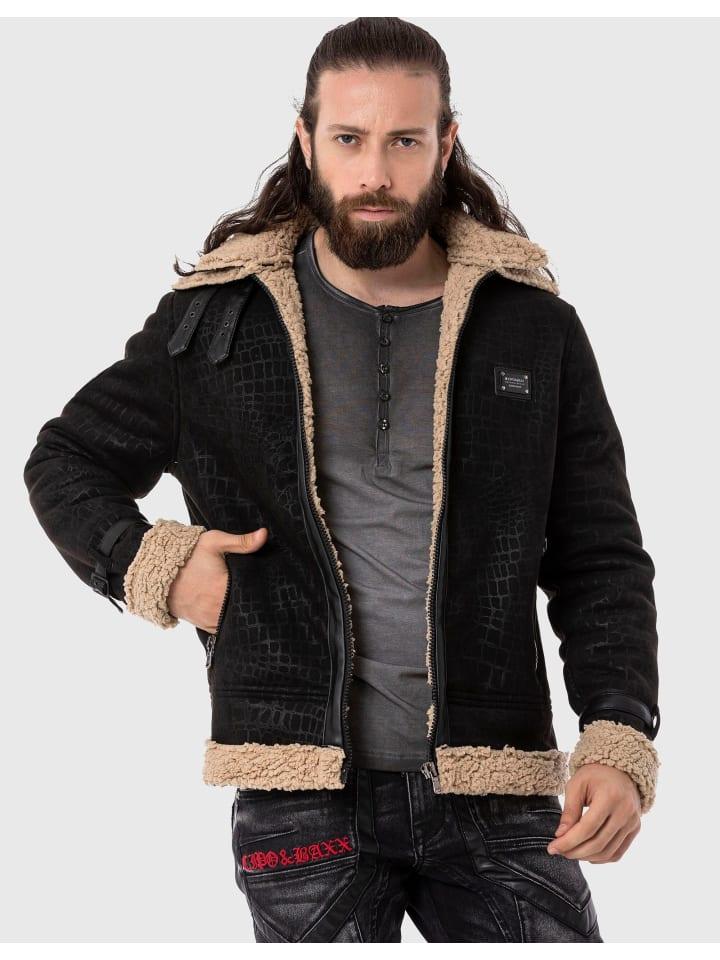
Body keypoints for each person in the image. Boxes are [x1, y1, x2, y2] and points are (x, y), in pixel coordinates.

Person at [23, 17, 660, 943]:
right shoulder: (216, 323)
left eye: (404, 141)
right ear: (306, 138)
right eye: (349, 139)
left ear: (445, 142)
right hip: (301, 802)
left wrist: (618, 735)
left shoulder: (532, 328)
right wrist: (155, 566)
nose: (375, 174)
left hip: (500, 785)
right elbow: (64, 459)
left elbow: (600, 556)